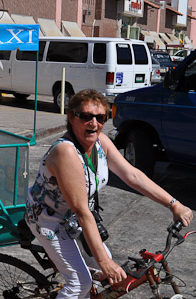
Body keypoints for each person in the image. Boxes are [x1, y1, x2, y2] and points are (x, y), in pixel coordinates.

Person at [25, 89, 193, 298]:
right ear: (71, 117)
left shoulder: (100, 143)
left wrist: (174, 204)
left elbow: (132, 175)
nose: (93, 123)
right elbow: (82, 211)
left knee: (105, 273)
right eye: (86, 116)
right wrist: (105, 262)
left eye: (100, 117)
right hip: (49, 218)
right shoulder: (65, 152)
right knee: (79, 284)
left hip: (76, 217)